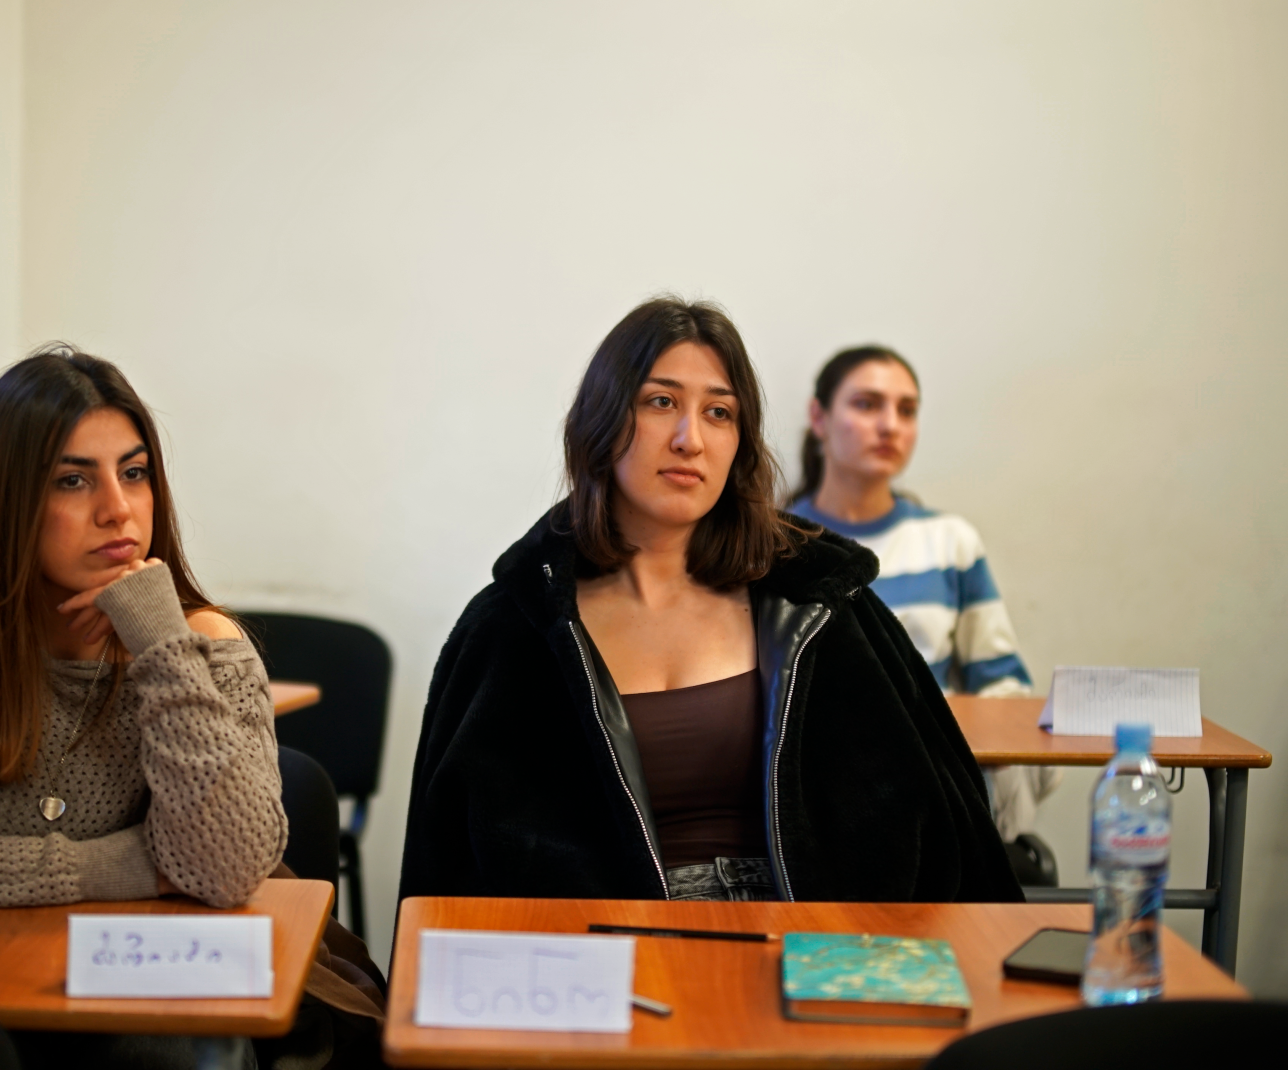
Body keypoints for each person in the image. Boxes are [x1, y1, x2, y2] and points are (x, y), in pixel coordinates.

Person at [0, 346, 384, 1069]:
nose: (118, 509)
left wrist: (161, 646)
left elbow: (228, 867)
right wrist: (114, 867)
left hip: (148, 1002)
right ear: (10, 501)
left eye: (134, 473)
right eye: (73, 480)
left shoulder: (206, 646)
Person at [399, 299, 1020, 905]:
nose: (689, 439)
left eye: (719, 412)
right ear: (602, 420)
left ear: (739, 442)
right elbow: (445, 866)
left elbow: (950, 832)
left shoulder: (823, 602)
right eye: (661, 402)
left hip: (817, 945)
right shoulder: (513, 627)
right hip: (606, 951)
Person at [783, 345, 1059, 852]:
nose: (890, 425)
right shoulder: (771, 545)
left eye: (906, 410)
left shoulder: (950, 543)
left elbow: (1005, 693)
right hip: (807, 803)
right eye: (867, 404)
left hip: (932, 798)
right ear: (819, 418)